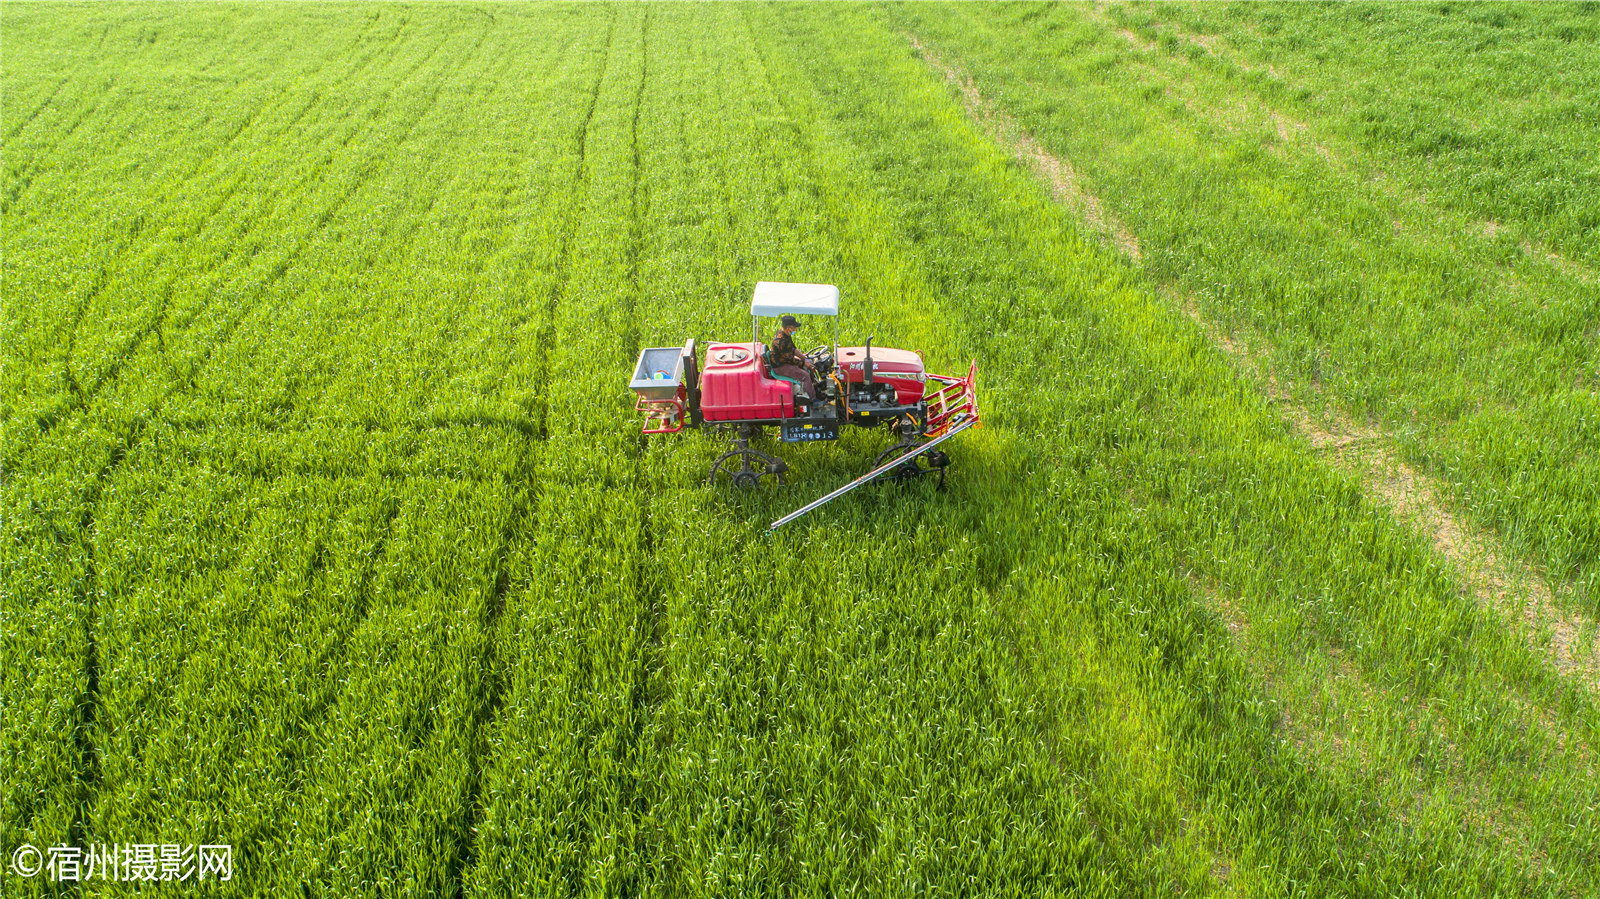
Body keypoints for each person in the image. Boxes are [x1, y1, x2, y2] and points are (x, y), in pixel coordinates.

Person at [769, 314, 818, 403]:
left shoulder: (785, 334)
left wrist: (804, 358)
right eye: (794, 327)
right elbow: (790, 359)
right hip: (780, 366)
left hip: (786, 361)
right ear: (789, 328)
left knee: (809, 363)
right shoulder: (780, 341)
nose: (795, 329)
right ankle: (812, 400)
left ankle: (814, 388)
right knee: (805, 376)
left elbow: (793, 348)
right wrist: (804, 363)